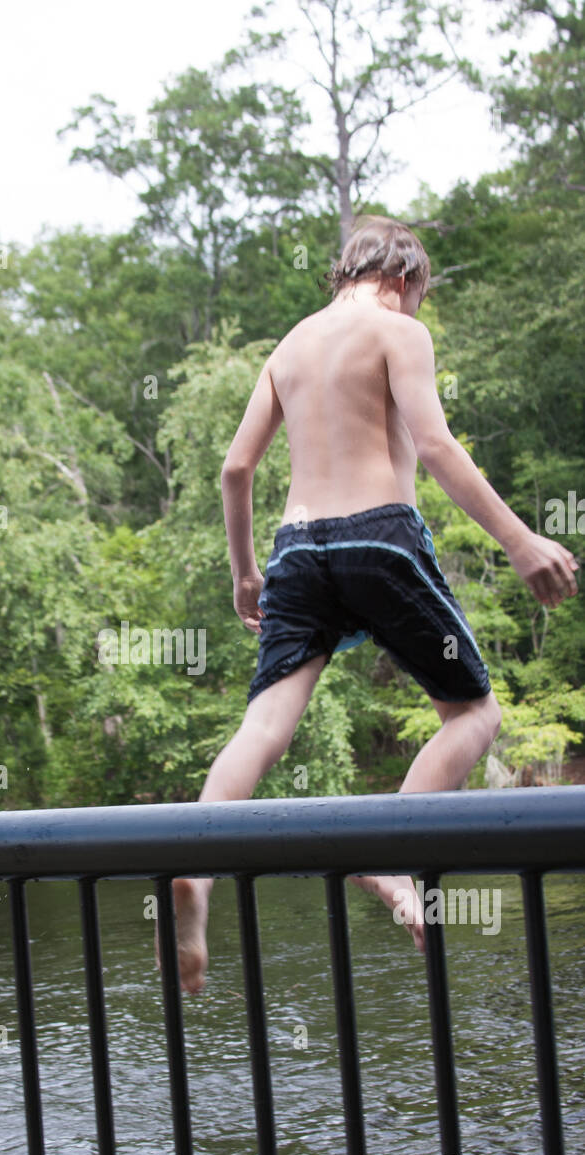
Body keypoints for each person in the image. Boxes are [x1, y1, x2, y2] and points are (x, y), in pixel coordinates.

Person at [161, 214, 579, 995]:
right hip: (377, 538)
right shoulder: (397, 330)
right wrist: (522, 543)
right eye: (418, 296)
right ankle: (387, 851)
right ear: (404, 279)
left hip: (295, 550)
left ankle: (196, 868)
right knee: (475, 714)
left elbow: (234, 468)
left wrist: (244, 573)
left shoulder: (289, 345)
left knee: (264, 725)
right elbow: (440, 447)